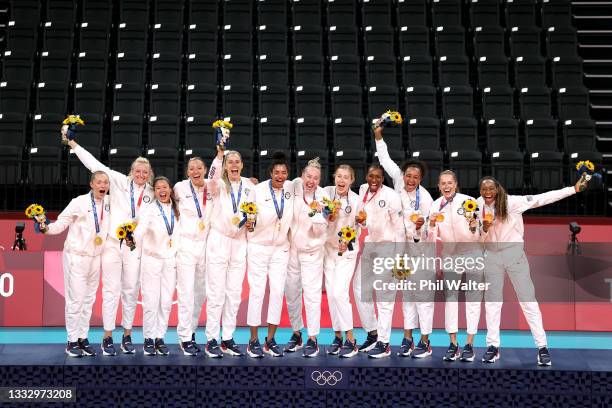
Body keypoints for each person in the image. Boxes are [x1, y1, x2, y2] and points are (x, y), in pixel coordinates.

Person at [477, 176, 587, 366]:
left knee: (528, 301)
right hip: (491, 257)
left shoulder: (512, 202)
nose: (487, 192)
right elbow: (476, 237)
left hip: (514, 255)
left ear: (497, 189)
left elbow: (541, 198)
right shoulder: (476, 206)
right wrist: (483, 229)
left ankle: (542, 347)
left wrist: (573, 189)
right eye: (483, 189)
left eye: (490, 189)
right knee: (493, 303)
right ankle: (493, 347)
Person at [64, 132, 154, 356]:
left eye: (145, 172)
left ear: (149, 174)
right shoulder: (118, 181)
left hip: (134, 247)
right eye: (137, 171)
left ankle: (127, 335)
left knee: (131, 291)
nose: (141, 174)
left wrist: (135, 237)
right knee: (110, 291)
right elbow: (93, 164)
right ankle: (107, 337)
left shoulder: (153, 193)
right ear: (131, 172)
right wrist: (73, 143)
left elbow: (148, 219)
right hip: (113, 246)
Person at [374, 126, 435, 358]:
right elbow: (385, 158)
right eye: (408, 175)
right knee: (407, 295)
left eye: (415, 177)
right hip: (399, 251)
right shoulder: (398, 181)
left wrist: (420, 229)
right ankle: (408, 337)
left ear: (421, 179)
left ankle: (425, 341)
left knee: (422, 297)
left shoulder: (427, 199)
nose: (410, 180)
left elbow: (430, 231)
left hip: (420, 251)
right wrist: (378, 136)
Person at [38, 171, 111, 357]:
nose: (103, 185)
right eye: (99, 182)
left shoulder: (110, 204)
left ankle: (82, 337)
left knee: (88, 301)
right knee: (75, 300)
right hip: (76, 257)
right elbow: (61, 223)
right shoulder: (78, 202)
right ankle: (71, 341)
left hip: (96, 257)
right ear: (92, 184)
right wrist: (45, 227)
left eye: (106, 183)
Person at [426, 170, 483, 362]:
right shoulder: (435, 205)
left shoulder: (469, 201)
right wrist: (431, 225)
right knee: (450, 298)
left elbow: (479, 233)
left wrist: (474, 225)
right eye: (443, 183)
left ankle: (469, 344)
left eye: (450, 183)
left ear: (456, 184)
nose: (446, 186)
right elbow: (430, 236)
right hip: (450, 256)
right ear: (439, 186)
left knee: (472, 298)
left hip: (472, 253)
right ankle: (453, 343)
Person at [204, 150, 255, 357]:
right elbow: (211, 177)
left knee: (234, 294)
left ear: (242, 165)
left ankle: (227, 338)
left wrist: (253, 222)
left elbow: (255, 211)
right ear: (225, 166)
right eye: (230, 162)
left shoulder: (250, 186)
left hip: (239, 242)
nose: (233, 165)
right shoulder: (218, 184)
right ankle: (211, 340)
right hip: (219, 240)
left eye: (237, 162)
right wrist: (218, 155)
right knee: (216, 294)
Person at [245, 152, 295, 358]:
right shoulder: (256, 190)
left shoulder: (292, 189)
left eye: (284, 173)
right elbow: (248, 215)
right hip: (258, 246)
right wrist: (250, 223)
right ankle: (253, 341)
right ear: (271, 173)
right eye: (277, 172)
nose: (280, 176)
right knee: (257, 292)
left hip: (281, 248)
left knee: (277, 292)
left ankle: (270, 340)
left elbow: (311, 183)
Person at [352, 165, 405, 358]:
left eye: (378, 177)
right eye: (370, 176)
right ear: (366, 176)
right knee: (358, 288)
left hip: (389, 248)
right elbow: (367, 221)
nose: (373, 180)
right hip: (371, 245)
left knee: (385, 297)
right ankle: (372, 333)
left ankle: (384, 342)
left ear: (383, 179)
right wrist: (361, 222)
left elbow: (400, 230)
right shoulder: (363, 190)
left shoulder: (392, 197)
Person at [174, 152, 222, 356]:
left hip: (206, 245)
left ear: (204, 170)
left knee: (200, 294)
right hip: (186, 245)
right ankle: (184, 337)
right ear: (187, 172)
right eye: (191, 168)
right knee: (185, 293)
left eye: (199, 168)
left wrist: (219, 154)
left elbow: (219, 171)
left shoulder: (212, 186)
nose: (195, 171)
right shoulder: (179, 187)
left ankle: (191, 331)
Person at [129, 176, 180, 355]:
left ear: (170, 189)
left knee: (165, 302)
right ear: (155, 192)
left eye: (164, 187)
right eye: (158, 188)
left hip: (170, 261)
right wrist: (132, 238)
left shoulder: (177, 210)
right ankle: (148, 338)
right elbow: (141, 228)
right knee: (151, 302)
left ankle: (160, 337)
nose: (161, 190)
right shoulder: (149, 209)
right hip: (152, 260)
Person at [284, 158, 329, 357]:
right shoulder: (293, 186)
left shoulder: (324, 196)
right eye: (308, 176)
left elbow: (320, 231)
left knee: (311, 295)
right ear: (302, 176)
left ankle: (313, 338)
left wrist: (318, 215)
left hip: (312, 251)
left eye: (315, 178)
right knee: (292, 293)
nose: (311, 181)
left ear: (320, 180)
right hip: (292, 249)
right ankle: (296, 333)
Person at [322, 165, 361, 358]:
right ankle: (337, 338)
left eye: (346, 177)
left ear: (351, 180)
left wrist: (348, 240)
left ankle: (351, 340)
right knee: (331, 296)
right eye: (339, 176)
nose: (342, 180)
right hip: (328, 251)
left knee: (339, 293)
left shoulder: (356, 200)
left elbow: (359, 226)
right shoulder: (327, 195)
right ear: (334, 177)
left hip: (347, 252)